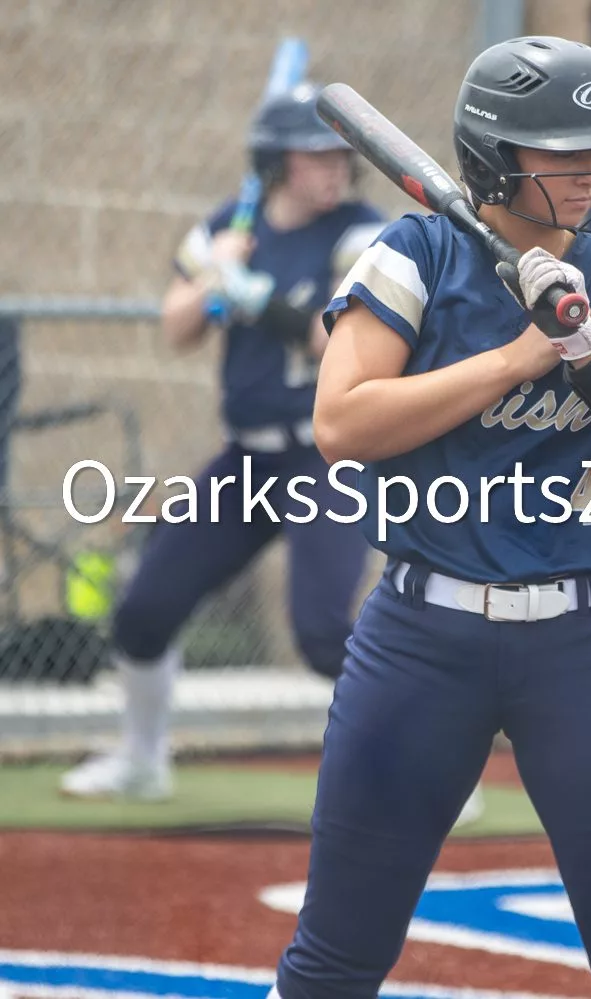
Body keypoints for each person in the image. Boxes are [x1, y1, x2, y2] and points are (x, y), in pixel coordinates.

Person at [268, 36, 591, 999]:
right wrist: (516, 358)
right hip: (421, 636)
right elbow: (342, 424)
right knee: (334, 963)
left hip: (586, 642)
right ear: (494, 156)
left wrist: (588, 349)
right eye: (565, 150)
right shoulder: (415, 255)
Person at [60, 81, 388, 801]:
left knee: (322, 633)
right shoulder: (225, 229)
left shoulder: (363, 234)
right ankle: (143, 760)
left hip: (326, 458)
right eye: (314, 155)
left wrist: (257, 298)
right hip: (248, 459)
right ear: (275, 164)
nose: (334, 168)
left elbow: (338, 338)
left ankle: (424, 764)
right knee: (144, 610)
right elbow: (177, 328)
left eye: (339, 155)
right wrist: (216, 277)